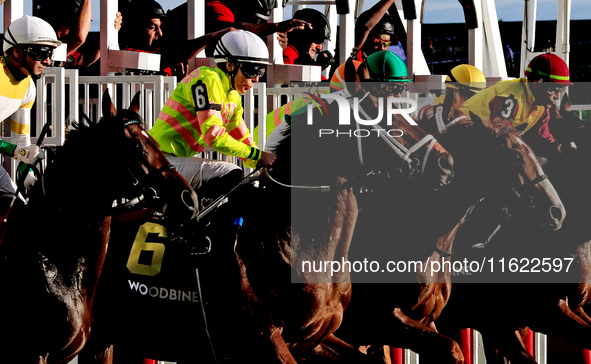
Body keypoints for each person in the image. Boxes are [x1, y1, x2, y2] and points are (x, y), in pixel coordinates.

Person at [149, 30, 276, 210]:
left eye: (260, 71)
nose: (255, 78)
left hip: (172, 160)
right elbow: (214, 137)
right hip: (159, 160)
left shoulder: (232, 95)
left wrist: (263, 164)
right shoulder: (208, 79)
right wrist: (258, 156)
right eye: (251, 70)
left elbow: (243, 139)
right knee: (231, 173)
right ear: (230, 66)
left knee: (246, 186)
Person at [461, 52, 573, 159]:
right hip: (462, 136)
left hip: (481, 139)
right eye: (553, 90)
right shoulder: (511, 97)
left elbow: (541, 135)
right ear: (536, 85)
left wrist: (560, 148)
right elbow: (503, 135)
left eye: (561, 90)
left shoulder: (542, 104)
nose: (557, 97)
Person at [0, 16, 61, 197]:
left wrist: (28, 173)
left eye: (50, 54)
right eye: (42, 53)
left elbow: (22, 142)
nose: (48, 61)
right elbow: (17, 149)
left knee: (17, 210)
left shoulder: (28, 87)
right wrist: (15, 151)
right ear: (17, 52)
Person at [36, 0, 123, 68]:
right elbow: (78, 38)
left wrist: (112, 27)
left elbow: (86, 59)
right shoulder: (46, 44)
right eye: (73, 25)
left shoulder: (73, 52)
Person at [280, 8, 334, 78]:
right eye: (318, 41)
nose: (320, 48)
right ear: (305, 37)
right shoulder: (288, 53)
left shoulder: (302, 59)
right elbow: (287, 81)